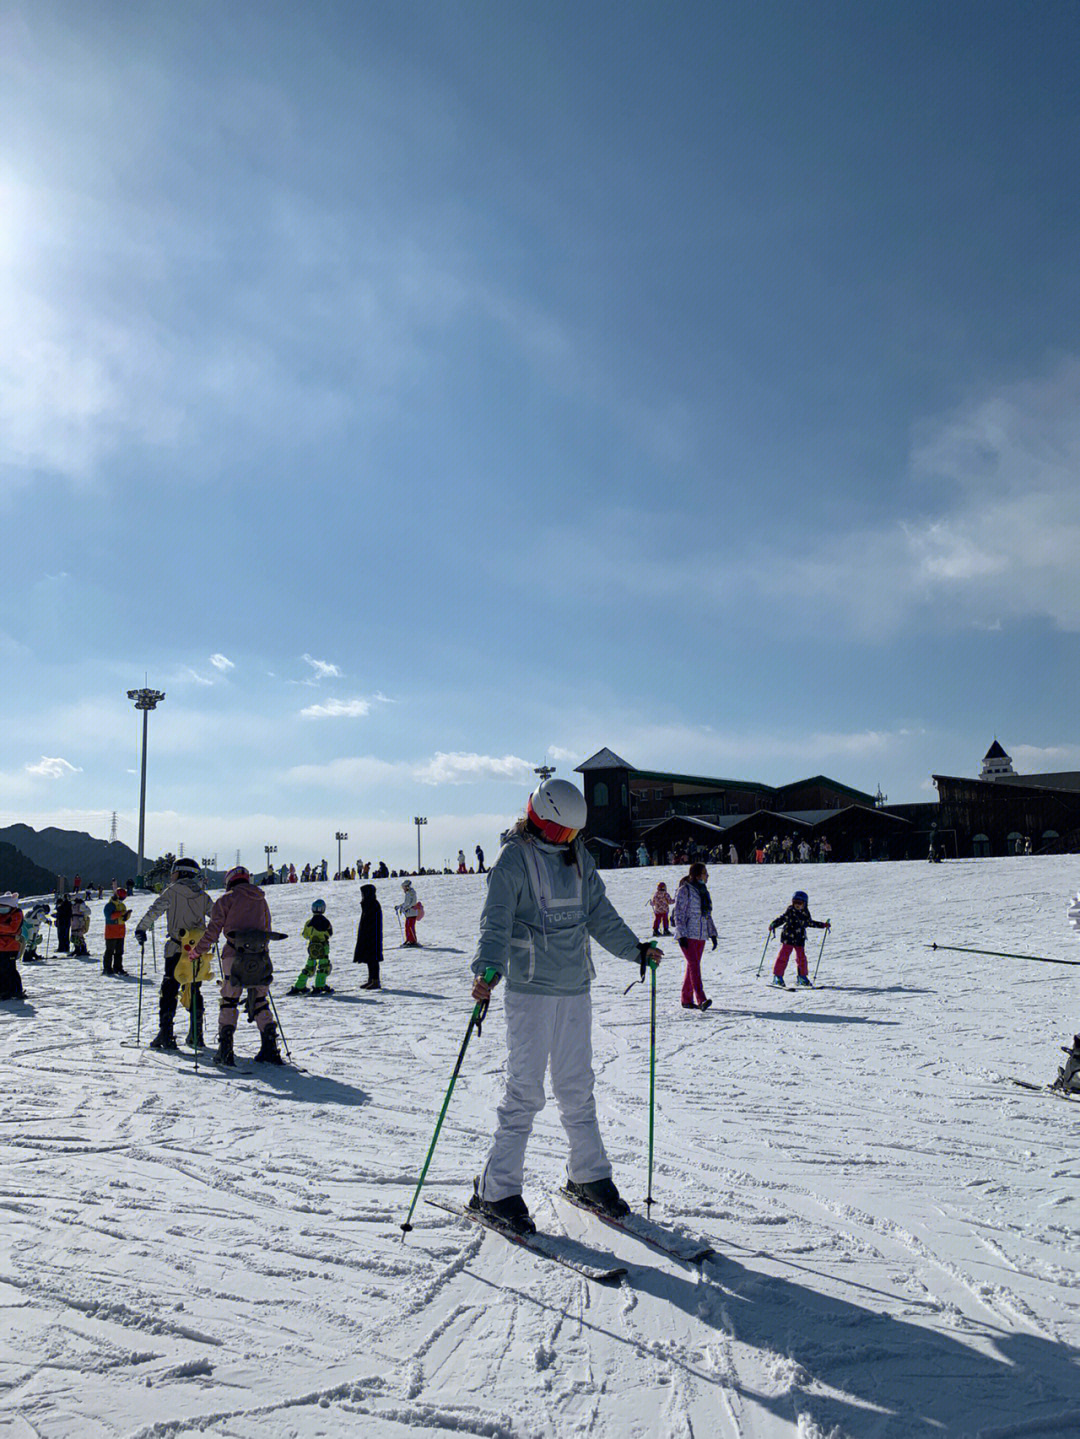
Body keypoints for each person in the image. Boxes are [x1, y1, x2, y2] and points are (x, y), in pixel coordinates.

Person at [468, 778, 660, 1234]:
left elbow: (599, 914)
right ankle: (497, 1190)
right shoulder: (512, 858)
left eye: (572, 836)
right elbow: (494, 921)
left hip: (575, 987)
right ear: (538, 819)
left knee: (577, 1086)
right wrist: (487, 969)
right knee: (526, 1091)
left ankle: (588, 1174)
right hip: (531, 992)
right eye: (559, 834)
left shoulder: (579, 859)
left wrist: (635, 949)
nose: (565, 843)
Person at [188, 866, 283, 1066]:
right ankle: (270, 1047)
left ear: (229, 880)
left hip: (233, 955)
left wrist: (197, 951)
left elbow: (213, 931)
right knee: (260, 1000)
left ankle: (226, 1050)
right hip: (260, 956)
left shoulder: (226, 899)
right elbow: (267, 927)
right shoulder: (261, 899)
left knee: (229, 1000)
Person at [135, 858, 215, 1051]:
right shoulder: (203, 895)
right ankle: (196, 1034)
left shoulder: (171, 891)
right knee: (194, 989)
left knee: (169, 990)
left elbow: (154, 911)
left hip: (176, 949)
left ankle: (166, 1034)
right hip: (198, 951)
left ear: (179, 872)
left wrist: (141, 929)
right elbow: (216, 916)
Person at [673, 862, 717, 1011]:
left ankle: (686, 999)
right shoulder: (685, 890)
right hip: (687, 935)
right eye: (705, 873)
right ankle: (701, 999)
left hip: (701, 935)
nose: (707, 876)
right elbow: (678, 913)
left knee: (692, 966)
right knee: (694, 965)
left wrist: (712, 933)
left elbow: (707, 915)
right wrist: (681, 934)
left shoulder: (703, 891)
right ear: (697, 875)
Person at [769, 889, 829, 988]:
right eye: (795, 902)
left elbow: (810, 923)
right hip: (788, 937)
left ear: (805, 904)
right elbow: (782, 919)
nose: (797, 905)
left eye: (799, 903)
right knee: (783, 957)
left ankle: (802, 977)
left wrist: (823, 925)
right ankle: (777, 977)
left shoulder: (805, 913)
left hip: (799, 939)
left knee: (801, 958)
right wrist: (774, 924)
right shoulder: (790, 911)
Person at [290, 899, 334, 994]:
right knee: (324, 966)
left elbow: (305, 935)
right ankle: (320, 985)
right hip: (323, 947)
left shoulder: (308, 923)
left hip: (312, 948)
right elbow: (329, 934)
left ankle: (299, 985)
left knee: (309, 967)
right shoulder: (326, 922)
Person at [353, 883, 383, 988]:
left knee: (373, 958)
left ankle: (375, 980)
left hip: (372, 936)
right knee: (369, 959)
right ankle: (371, 979)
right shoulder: (368, 904)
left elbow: (372, 922)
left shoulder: (373, 904)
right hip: (367, 935)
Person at [0, 893, 26, 1000]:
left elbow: (12, 929)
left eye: (3, 907)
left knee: (9, 969)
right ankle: (3, 990)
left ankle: (16, 990)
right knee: (1, 969)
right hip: (1, 946)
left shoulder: (16, 914)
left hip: (11, 946)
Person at [102, 888, 131, 975]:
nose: (122, 900)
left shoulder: (122, 906)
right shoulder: (109, 905)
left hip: (120, 931)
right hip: (111, 931)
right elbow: (109, 916)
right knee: (109, 951)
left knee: (119, 951)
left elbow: (123, 919)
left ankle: (118, 967)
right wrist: (121, 913)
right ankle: (107, 968)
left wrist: (127, 915)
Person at [398, 880, 422, 946]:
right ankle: (408, 940)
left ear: (407, 887)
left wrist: (405, 908)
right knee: (407, 927)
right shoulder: (408, 893)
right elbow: (406, 903)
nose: (403, 889)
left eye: (404, 887)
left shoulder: (412, 893)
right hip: (408, 913)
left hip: (412, 913)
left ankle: (413, 941)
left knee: (410, 927)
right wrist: (400, 906)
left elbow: (412, 903)